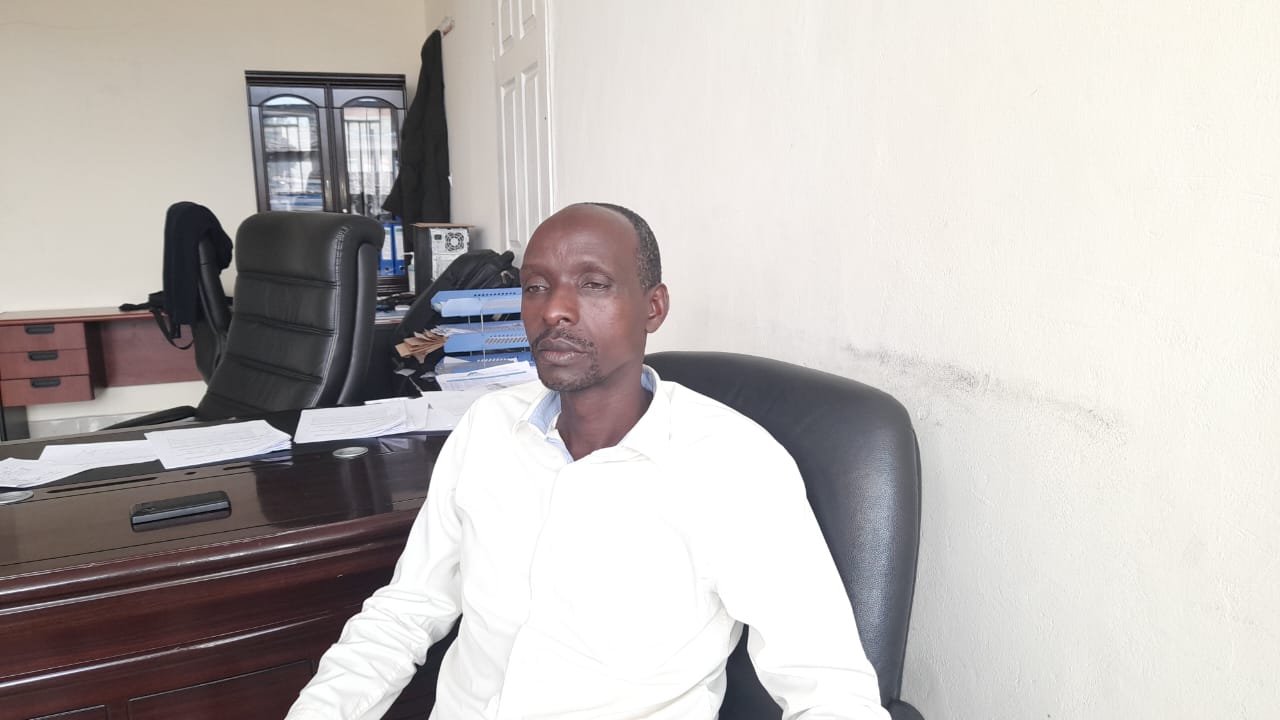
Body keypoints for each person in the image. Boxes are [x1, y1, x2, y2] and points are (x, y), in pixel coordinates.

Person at [285, 203, 888, 720]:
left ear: (653, 308)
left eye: (594, 284)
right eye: (535, 286)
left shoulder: (734, 465)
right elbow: (408, 609)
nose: (554, 310)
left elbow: (828, 685)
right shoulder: (487, 428)